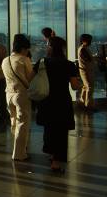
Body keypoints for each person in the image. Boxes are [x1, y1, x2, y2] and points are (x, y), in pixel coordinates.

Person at [35, 37, 82, 172]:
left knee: (49, 128)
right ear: (63, 48)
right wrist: (80, 84)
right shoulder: (68, 64)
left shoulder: (42, 62)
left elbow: (31, 78)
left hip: (45, 100)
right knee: (61, 131)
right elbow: (74, 86)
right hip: (62, 101)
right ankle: (56, 161)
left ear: (49, 47)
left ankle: (50, 153)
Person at [1, 34, 34, 161]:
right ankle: (19, 153)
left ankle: (18, 147)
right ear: (23, 48)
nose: (27, 52)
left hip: (8, 94)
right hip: (21, 95)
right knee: (23, 123)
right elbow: (30, 78)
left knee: (14, 121)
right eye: (27, 49)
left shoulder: (5, 60)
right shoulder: (24, 60)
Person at [77, 34, 96, 112]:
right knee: (89, 87)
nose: (90, 42)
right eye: (89, 40)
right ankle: (88, 106)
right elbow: (88, 59)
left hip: (84, 70)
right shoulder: (83, 49)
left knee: (85, 87)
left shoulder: (82, 48)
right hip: (86, 70)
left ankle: (82, 103)